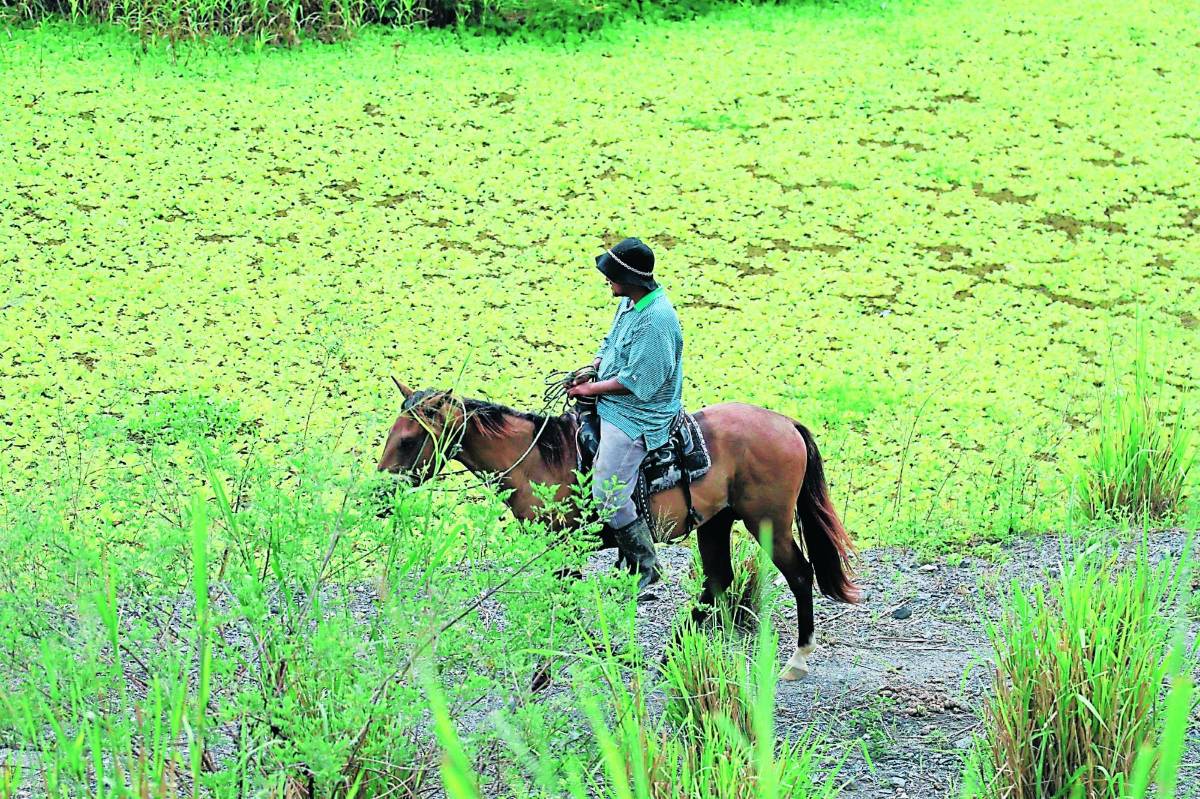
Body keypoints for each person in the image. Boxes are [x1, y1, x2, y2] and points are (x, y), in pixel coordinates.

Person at [567, 237, 684, 591]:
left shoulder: (656, 320)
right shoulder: (630, 302)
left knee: (608, 493)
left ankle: (646, 566)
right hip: (614, 398)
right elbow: (610, 342)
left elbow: (639, 382)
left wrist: (589, 391)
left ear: (630, 278)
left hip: (637, 413)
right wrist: (593, 368)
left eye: (612, 275)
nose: (607, 280)